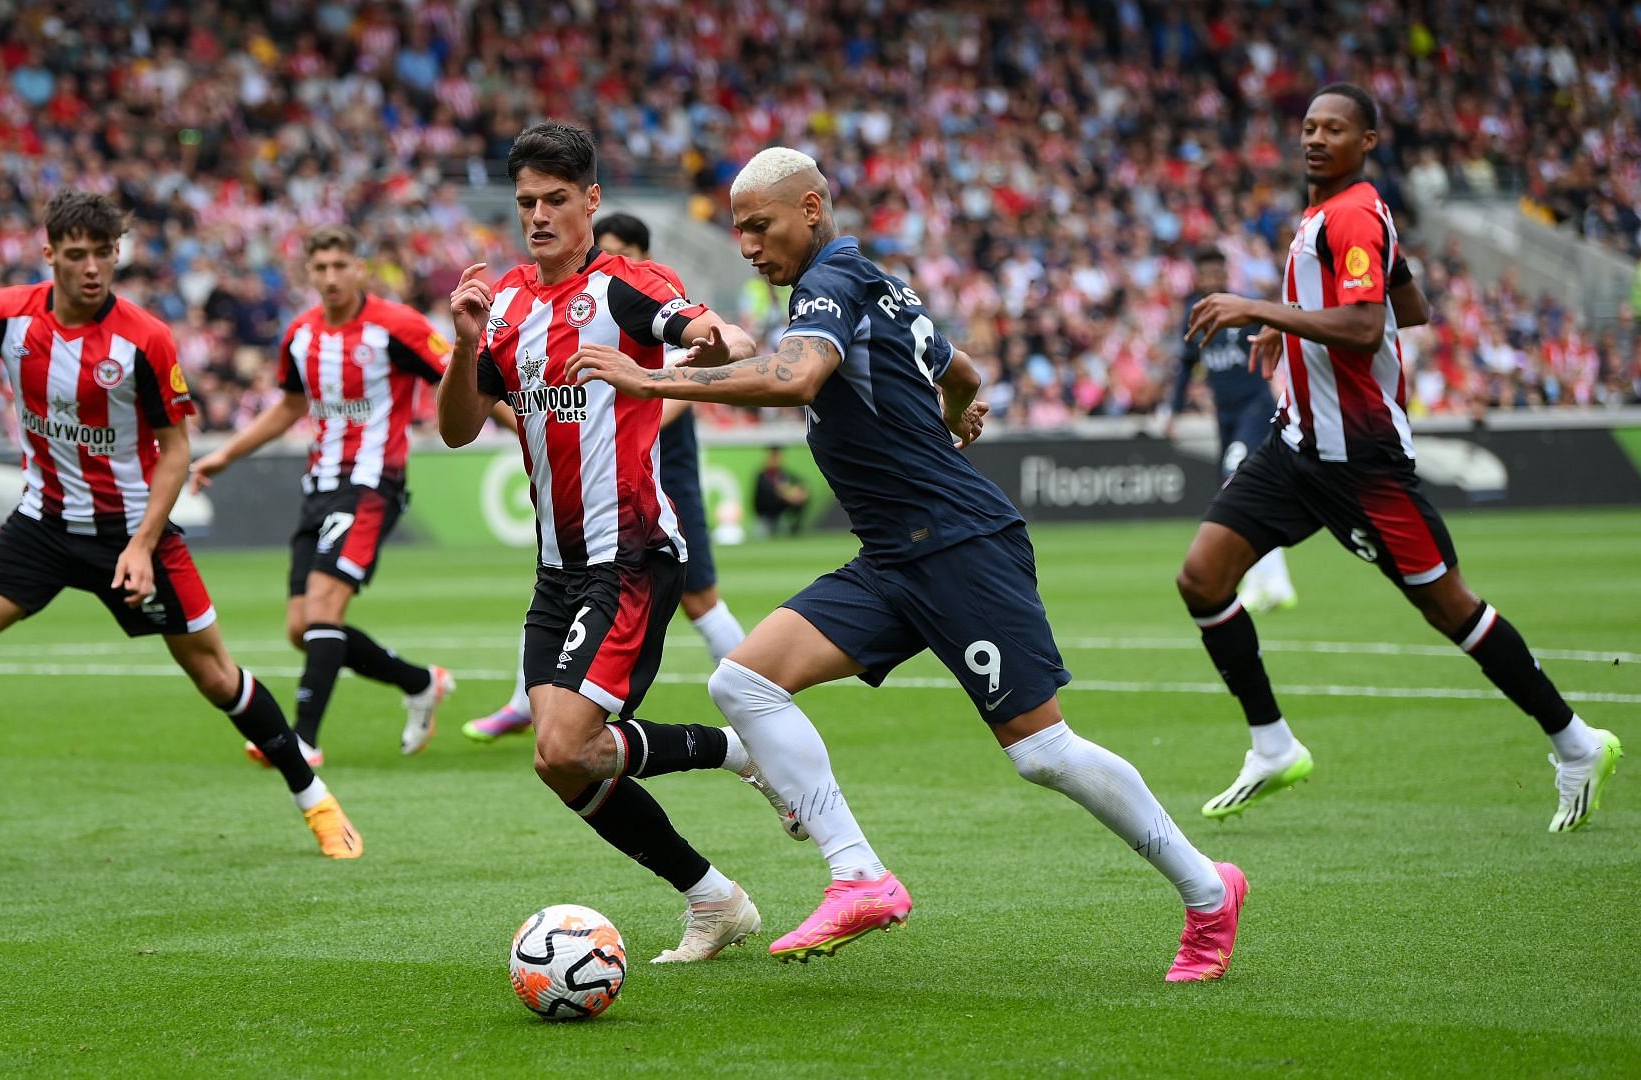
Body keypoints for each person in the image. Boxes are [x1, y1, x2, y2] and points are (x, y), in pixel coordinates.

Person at [570, 146, 1249, 981]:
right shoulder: (874, 283)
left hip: (959, 545)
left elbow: (798, 375)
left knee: (1042, 752)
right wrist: (960, 411)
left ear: (812, 209)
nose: (746, 244)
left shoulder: (830, 283)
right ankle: (858, 875)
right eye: (738, 228)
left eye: (760, 224)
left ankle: (1209, 891)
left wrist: (650, 380)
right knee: (741, 681)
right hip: (894, 554)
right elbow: (959, 368)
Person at [0, 191, 363, 872]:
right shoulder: (5, 315)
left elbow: (175, 450)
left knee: (214, 675)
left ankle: (315, 798)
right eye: (75, 254)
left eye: (102, 254)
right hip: (42, 525)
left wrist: (142, 546)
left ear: (118, 255)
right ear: (49, 253)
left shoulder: (145, 338)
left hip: (130, 534)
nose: (90, 268)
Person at [1177, 84, 1621, 831]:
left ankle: (1577, 742)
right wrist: (1285, 330)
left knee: (1451, 609)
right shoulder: (1342, 212)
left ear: (1367, 141)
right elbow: (1409, 306)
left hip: (1362, 464)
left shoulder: (1350, 213)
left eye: (1335, 128)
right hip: (1296, 447)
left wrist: (1259, 309)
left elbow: (1362, 326)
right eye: (1310, 127)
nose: (1316, 138)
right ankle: (1273, 745)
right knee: (1202, 578)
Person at [435, 122, 795, 964]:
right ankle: (716, 898)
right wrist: (461, 344)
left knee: (567, 745)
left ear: (590, 200)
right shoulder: (508, 307)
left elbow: (728, 338)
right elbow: (456, 430)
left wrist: (702, 348)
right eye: (526, 202)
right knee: (562, 763)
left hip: (630, 555)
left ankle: (739, 751)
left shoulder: (628, 288)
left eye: (556, 200)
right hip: (556, 571)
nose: (538, 216)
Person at [464, 212, 747, 743]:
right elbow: (484, 410)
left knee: (701, 598)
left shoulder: (644, 297)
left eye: (619, 250)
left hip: (653, 486)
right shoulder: (520, 304)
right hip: (572, 523)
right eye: (528, 201)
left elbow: (714, 354)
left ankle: (753, 703)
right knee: (562, 748)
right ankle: (525, 701)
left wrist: (633, 403)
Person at [191, 225, 454, 762]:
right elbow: (289, 408)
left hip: (372, 484)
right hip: (320, 487)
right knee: (301, 628)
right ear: (307, 273)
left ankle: (300, 740)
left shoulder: (397, 325)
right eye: (321, 268)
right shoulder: (301, 334)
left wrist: (527, 437)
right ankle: (420, 682)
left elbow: (464, 377)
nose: (331, 277)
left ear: (360, 267)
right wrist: (225, 454)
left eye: (341, 266)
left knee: (323, 612)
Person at [1165, 248, 1297, 612]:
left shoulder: (1246, 309)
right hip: (1225, 415)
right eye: (1204, 274)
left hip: (1256, 407)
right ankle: (1277, 583)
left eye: (1215, 273)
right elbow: (1186, 365)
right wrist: (1173, 412)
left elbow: (1284, 331)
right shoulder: (1195, 317)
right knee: (1242, 490)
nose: (1210, 280)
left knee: (1235, 480)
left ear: (1224, 274)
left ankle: (1255, 581)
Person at [752, 445, 810, 536]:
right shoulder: (762, 476)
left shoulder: (785, 474)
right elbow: (771, 491)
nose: (776, 460)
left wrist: (799, 492)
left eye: (778, 456)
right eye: (773, 456)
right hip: (766, 515)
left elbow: (801, 484)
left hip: (781, 512)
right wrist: (787, 494)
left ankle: (795, 527)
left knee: (800, 495)